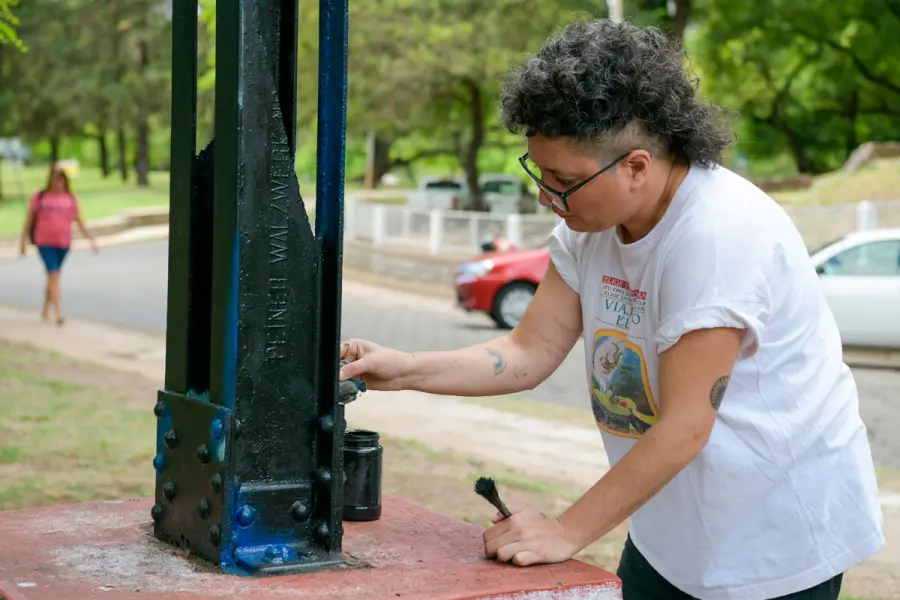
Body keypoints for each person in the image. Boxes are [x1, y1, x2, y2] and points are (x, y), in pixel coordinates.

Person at [338, 19, 884, 600]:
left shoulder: (718, 237)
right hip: (669, 534)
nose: (547, 197)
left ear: (637, 166)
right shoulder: (590, 226)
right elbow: (528, 350)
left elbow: (684, 425)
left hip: (774, 542)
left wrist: (566, 530)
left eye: (563, 180)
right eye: (539, 173)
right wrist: (404, 368)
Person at [19, 165, 97, 325]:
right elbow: (29, 221)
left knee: (52, 277)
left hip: (63, 243)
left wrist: (90, 239)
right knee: (54, 276)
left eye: (61, 180)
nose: (58, 183)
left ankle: (46, 308)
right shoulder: (40, 197)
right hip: (44, 242)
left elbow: (79, 221)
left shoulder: (70, 198)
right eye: (55, 180)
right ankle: (59, 313)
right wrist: (23, 242)